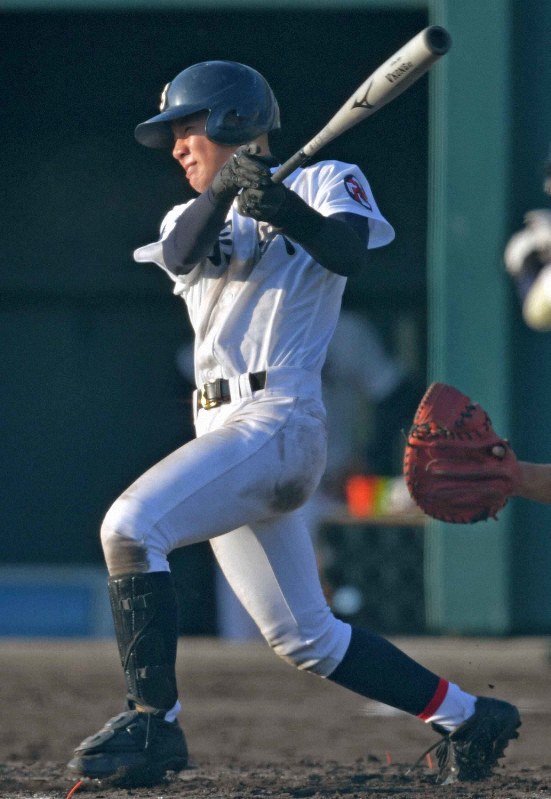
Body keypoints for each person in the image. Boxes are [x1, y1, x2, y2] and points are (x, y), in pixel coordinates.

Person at [67, 60, 520, 788]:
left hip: (277, 417)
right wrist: (227, 190)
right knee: (305, 636)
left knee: (129, 527)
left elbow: (345, 250)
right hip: (222, 431)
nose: (178, 147)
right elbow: (184, 251)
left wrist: (283, 209)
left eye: (187, 129)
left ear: (232, 121)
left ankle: (155, 720)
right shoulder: (182, 217)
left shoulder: (322, 179)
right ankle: (468, 715)